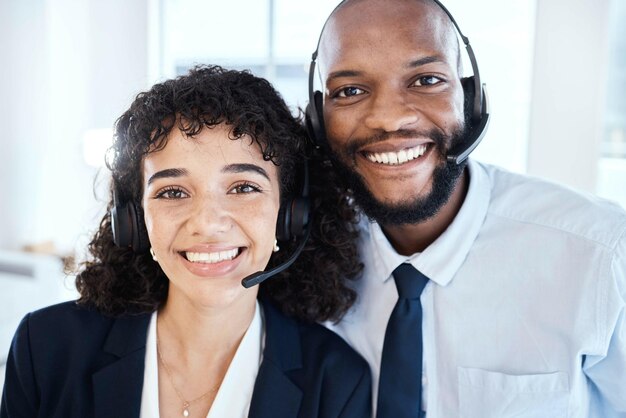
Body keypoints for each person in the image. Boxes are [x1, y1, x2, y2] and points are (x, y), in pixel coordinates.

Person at [304, 0, 626, 417]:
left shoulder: (601, 255)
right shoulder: (310, 254)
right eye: (349, 91)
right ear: (318, 118)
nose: (387, 118)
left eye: (426, 80)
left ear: (470, 97)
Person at [0, 65, 371, 418]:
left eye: (243, 187)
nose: (208, 224)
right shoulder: (46, 349)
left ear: (290, 213)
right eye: (173, 192)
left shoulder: (336, 380)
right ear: (134, 220)